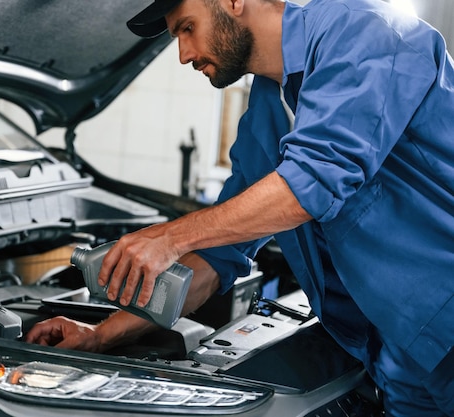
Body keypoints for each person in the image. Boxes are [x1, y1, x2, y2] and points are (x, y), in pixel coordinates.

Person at [26, 0, 454, 415]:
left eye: (187, 28)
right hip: (395, 354)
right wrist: (101, 337)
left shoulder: (364, 30)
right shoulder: (270, 104)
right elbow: (218, 254)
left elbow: (313, 182)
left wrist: (169, 237)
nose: (183, 54)